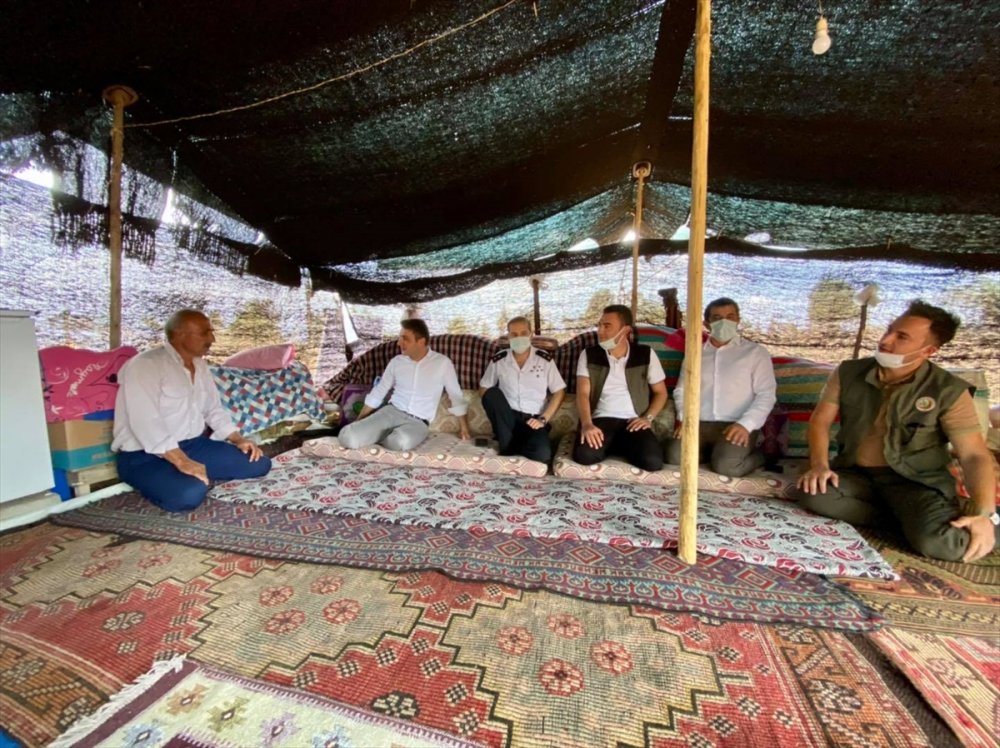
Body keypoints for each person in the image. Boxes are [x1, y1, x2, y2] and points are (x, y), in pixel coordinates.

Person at [795, 300, 998, 562]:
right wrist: (820, 466)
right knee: (814, 493)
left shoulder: (948, 390)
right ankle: (910, 522)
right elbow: (820, 422)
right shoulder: (849, 372)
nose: (886, 340)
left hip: (915, 483)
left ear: (929, 350)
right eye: (889, 329)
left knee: (944, 544)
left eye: (902, 337)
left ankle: (986, 527)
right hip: (857, 475)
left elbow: (974, 456)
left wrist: (984, 514)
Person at [112, 309, 271, 512]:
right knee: (189, 494)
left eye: (211, 332)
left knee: (259, 463)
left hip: (192, 446)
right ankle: (168, 480)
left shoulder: (200, 365)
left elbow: (213, 409)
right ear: (179, 334)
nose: (212, 339)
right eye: (204, 333)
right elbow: (146, 422)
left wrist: (238, 439)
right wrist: (182, 461)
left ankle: (182, 476)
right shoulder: (145, 365)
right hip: (143, 455)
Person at [666, 297, 776, 476]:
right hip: (698, 423)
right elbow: (681, 391)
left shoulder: (755, 353)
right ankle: (714, 453)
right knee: (674, 456)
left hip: (736, 425)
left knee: (727, 467)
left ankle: (761, 456)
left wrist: (745, 425)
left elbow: (766, 394)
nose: (724, 322)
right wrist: (685, 420)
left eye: (730, 317)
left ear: (738, 320)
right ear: (706, 324)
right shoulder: (694, 353)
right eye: (717, 318)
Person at [339, 319, 470, 450]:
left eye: (405, 339)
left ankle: (379, 436)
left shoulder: (443, 363)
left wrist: (464, 429)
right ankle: (374, 434)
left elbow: (455, 395)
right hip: (391, 412)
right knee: (348, 437)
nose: (399, 343)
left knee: (399, 442)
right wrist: (360, 422)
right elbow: (379, 392)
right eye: (400, 338)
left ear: (421, 341)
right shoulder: (396, 362)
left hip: (418, 423)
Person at [574, 304, 668, 471]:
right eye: (599, 325)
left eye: (607, 326)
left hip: (633, 421)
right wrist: (587, 424)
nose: (600, 331)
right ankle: (612, 444)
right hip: (601, 419)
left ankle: (617, 444)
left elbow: (661, 392)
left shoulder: (645, 354)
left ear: (625, 330)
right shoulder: (589, 355)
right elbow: (582, 393)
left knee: (652, 462)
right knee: (584, 456)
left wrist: (647, 418)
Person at [479, 316, 566, 463]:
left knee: (542, 455)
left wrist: (543, 419)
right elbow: (484, 388)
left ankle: (511, 444)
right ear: (508, 337)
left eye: (523, 333)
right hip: (507, 418)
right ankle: (508, 441)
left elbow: (559, 391)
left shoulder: (544, 360)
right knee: (492, 393)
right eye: (514, 334)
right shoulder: (499, 359)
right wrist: (498, 416)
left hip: (533, 420)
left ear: (531, 335)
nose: (519, 337)